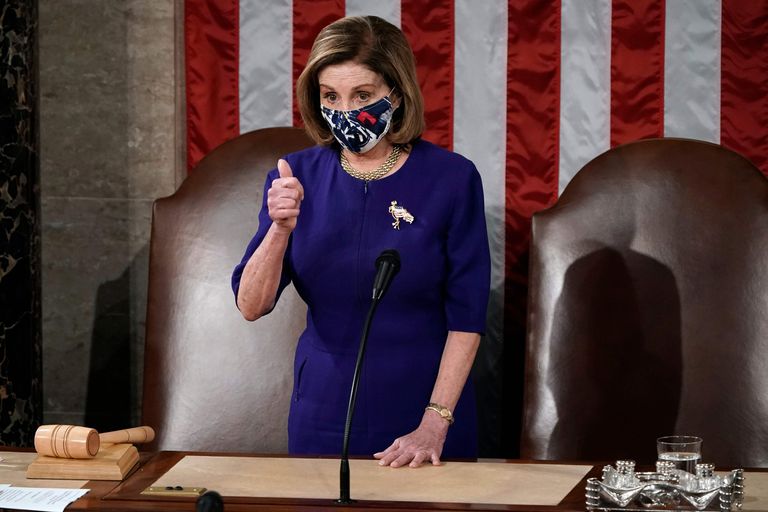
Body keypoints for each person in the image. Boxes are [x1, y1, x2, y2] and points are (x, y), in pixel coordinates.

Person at [232, 15, 490, 468]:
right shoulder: (295, 177)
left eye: (363, 96)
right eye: (331, 96)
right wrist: (279, 228)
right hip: (323, 413)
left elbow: (467, 317)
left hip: (425, 412)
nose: (346, 111)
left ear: (397, 92)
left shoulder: (452, 179)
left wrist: (435, 422)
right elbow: (251, 305)